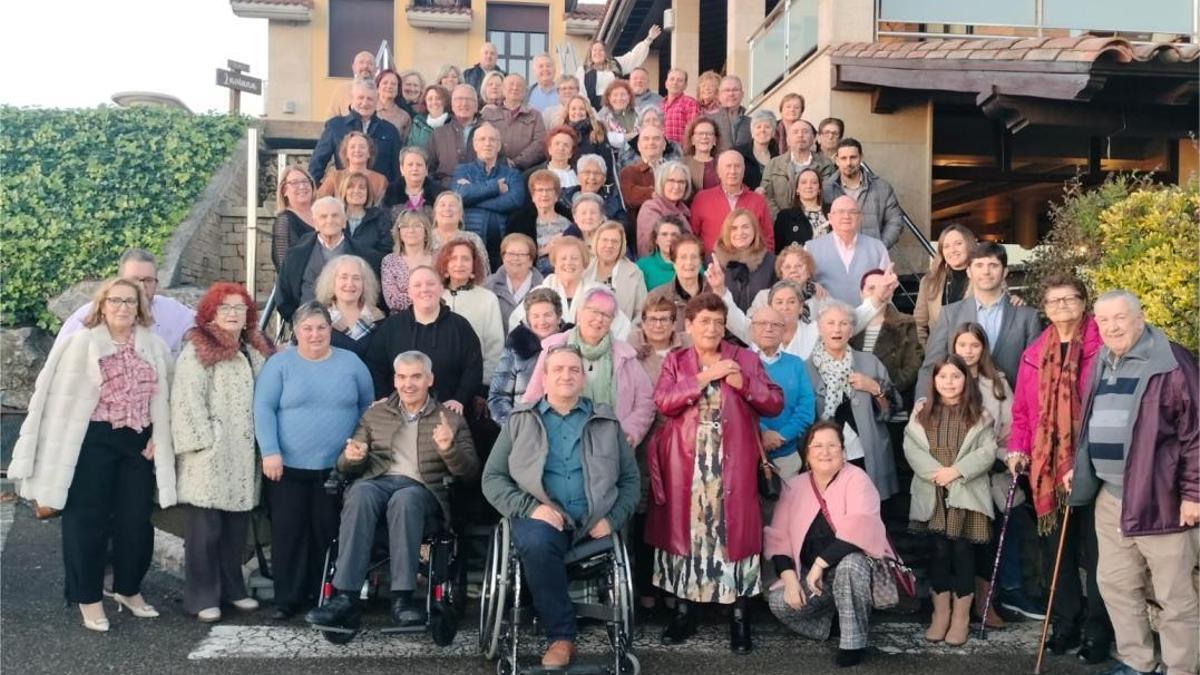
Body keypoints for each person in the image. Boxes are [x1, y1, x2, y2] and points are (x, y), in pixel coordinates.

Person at [11, 277, 176, 632]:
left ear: (140, 307)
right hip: (91, 442)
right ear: (101, 305)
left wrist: (160, 436)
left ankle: (128, 590)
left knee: (136, 522)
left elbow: (167, 398)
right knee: (87, 523)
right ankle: (88, 597)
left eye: (130, 301)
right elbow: (54, 399)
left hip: (137, 444)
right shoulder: (80, 344)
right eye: (115, 300)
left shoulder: (155, 346)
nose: (122, 307)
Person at [482, 343, 640, 669]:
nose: (566, 376)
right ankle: (561, 636)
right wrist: (530, 509)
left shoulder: (606, 422)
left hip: (593, 523)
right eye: (558, 369)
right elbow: (492, 478)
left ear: (583, 378)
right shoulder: (520, 420)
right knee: (538, 543)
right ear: (544, 377)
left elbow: (630, 481)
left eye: (573, 370)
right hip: (540, 521)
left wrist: (612, 519)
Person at [1067, 290, 1199, 675]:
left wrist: (1194, 493)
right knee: (1116, 585)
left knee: (1175, 595)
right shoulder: (1102, 360)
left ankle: (1180, 668)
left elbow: (1195, 432)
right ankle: (1138, 661)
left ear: (1140, 318)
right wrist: (1083, 465)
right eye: (1104, 320)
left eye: (1120, 317)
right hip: (1110, 497)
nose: (1112, 327)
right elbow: (1093, 424)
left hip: (1162, 499)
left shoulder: (1171, 362)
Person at [645, 292, 784, 652]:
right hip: (685, 464)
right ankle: (684, 613)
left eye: (718, 322)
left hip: (733, 463)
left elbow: (774, 402)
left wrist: (744, 384)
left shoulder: (745, 359)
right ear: (688, 325)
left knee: (731, 535)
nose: (711, 328)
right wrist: (704, 377)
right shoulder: (677, 360)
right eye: (704, 321)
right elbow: (663, 402)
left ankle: (739, 617)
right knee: (688, 535)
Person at [303, 351, 479, 631]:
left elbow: (469, 473)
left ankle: (402, 599)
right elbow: (345, 464)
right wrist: (353, 457)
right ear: (395, 380)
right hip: (377, 482)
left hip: (422, 489)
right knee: (359, 493)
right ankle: (345, 597)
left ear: (430, 379)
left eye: (416, 377)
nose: (408, 384)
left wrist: (449, 449)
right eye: (402, 377)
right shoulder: (375, 414)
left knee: (405, 499)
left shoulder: (450, 419)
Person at [1006, 272, 1111, 661]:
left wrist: (1082, 460)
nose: (1062, 306)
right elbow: (1022, 412)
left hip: (1093, 465)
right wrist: (1017, 448)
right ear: (1045, 308)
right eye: (1054, 301)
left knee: (1097, 553)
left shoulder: (1103, 347)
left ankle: (1098, 630)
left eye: (1069, 299)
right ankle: (1066, 623)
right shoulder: (1034, 353)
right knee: (1057, 551)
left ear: (1084, 302)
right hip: (1047, 468)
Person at [253, 302, 374, 620]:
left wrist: (360, 446)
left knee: (327, 532)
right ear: (296, 331)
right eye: (307, 328)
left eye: (321, 327)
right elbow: (263, 407)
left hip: (337, 468)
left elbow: (367, 407)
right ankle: (287, 599)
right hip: (287, 467)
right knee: (288, 533)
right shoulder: (280, 364)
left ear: (330, 329)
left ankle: (323, 595)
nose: (315, 334)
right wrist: (270, 451)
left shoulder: (351, 363)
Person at [170, 282, 274, 622]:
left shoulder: (256, 349)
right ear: (211, 313)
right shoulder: (199, 348)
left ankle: (232, 589)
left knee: (235, 529)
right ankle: (201, 596)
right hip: (209, 456)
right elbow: (186, 400)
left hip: (243, 454)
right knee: (205, 531)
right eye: (224, 307)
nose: (232, 313)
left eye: (239, 308)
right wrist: (205, 442)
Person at [763, 421, 897, 668]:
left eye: (832, 445)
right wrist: (791, 581)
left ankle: (852, 642)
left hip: (851, 568)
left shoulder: (857, 479)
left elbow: (860, 529)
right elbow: (779, 538)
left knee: (850, 565)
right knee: (779, 603)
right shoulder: (795, 486)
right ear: (807, 454)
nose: (825, 452)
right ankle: (835, 620)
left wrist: (819, 565)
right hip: (814, 580)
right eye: (817, 446)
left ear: (843, 452)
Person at [905, 355, 997, 647]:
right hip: (933, 489)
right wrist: (937, 474)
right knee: (939, 551)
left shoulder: (979, 414)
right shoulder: (922, 412)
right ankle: (940, 613)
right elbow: (911, 447)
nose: (949, 382)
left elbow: (986, 451)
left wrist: (956, 472)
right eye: (942, 376)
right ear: (933, 380)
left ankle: (961, 617)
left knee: (962, 551)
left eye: (955, 376)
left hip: (964, 491)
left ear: (965, 380)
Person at [523, 286, 656, 449]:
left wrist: (628, 432)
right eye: (594, 311)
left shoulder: (625, 356)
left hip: (610, 445)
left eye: (606, 315)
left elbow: (645, 401)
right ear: (580, 312)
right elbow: (532, 398)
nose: (599, 319)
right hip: (558, 445)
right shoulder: (554, 348)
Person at [951, 322, 1019, 630]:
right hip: (954, 475)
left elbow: (1011, 429)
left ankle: (986, 602)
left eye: (974, 345)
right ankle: (957, 605)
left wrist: (1004, 457)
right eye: (962, 345)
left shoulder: (997, 384)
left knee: (986, 541)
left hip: (990, 472)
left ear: (983, 349)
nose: (968, 351)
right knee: (957, 544)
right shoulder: (945, 379)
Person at [625, 295, 687, 613]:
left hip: (679, 442)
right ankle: (647, 587)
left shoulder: (687, 350)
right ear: (643, 322)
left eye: (665, 318)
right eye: (652, 318)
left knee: (675, 516)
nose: (659, 324)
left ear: (674, 322)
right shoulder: (632, 353)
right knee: (644, 514)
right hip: (644, 443)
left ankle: (673, 587)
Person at [917, 242, 1041, 397]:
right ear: (969, 271)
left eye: (993, 265)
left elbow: (1035, 372)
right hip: (960, 404)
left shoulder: (1027, 317)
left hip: (1010, 405)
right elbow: (931, 365)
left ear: (1005, 272)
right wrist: (922, 401)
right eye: (979, 265)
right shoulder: (950, 314)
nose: (986, 271)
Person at [806, 301, 902, 501]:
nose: (837, 329)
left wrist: (874, 387)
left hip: (867, 452)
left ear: (851, 331)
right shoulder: (805, 369)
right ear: (820, 329)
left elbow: (894, 409)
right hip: (825, 457)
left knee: (868, 507)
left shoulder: (869, 362)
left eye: (844, 323)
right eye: (830, 323)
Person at [365, 266, 484, 408]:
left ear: (441, 289)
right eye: (417, 285)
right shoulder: (391, 327)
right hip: (400, 412)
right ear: (409, 292)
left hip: (448, 411)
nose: (424, 289)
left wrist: (459, 399)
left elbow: (473, 368)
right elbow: (376, 366)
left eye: (430, 284)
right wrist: (385, 398)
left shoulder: (460, 326)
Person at [55, 248, 195, 356]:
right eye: (134, 280)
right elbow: (59, 360)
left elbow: (203, 326)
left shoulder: (171, 310)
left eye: (148, 280)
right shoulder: (89, 314)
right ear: (119, 281)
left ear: (156, 283)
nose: (141, 287)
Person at [277, 197, 378, 322]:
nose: (329, 221)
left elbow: (371, 294)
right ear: (315, 223)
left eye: (335, 216)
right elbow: (283, 296)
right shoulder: (294, 256)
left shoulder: (365, 255)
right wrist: (298, 322)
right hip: (307, 325)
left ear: (344, 221)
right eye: (323, 216)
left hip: (351, 327)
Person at [508, 237, 633, 339]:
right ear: (555, 264)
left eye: (574, 258)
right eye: (563, 258)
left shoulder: (599, 293)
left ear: (584, 263)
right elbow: (516, 322)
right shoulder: (540, 292)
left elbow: (622, 327)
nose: (568, 263)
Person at [750, 306, 815, 479]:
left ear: (784, 331)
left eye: (776, 324)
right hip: (747, 453)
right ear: (751, 328)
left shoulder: (796, 364)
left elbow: (806, 409)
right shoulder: (739, 361)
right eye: (762, 323)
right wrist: (762, 433)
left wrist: (782, 436)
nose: (769, 328)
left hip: (787, 456)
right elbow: (736, 406)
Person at [452, 122, 525, 265]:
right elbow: (459, 196)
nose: (487, 143)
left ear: (499, 145)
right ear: (474, 145)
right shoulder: (463, 170)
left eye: (492, 140)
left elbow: (514, 201)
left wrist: (474, 198)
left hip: (503, 244)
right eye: (482, 139)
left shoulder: (512, 174)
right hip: (469, 242)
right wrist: (495, 188)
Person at [488, 288, 563, 424]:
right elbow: (498, 396)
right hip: (524, 425)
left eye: (547, 315)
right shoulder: (517, 344)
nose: (542, 321)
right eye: (536, 316)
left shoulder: (570, 342)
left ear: (558, 317)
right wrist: (514, 426)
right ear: (528, 319)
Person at [438, 237, 504, 385]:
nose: (459, 264)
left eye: (465, 259)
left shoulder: (487, 298)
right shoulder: (434, 296)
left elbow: (494, 346)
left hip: (475, 381)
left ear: (474, 265)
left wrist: (483, 382)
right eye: (453, 258)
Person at [310, 80, 401, 185]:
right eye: (360, 98)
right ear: (352, 99)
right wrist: (315, 189)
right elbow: (317, 163)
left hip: (379, 192)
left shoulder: (389, 130)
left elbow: (396, 170)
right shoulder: (336, 126)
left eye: (370, 99)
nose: (365, 103)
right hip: (346, 190)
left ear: (377, 101)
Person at [805, 196, 891, 306]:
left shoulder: (877, 248)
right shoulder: (810, 249)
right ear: (830, 218)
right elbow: (801, 285)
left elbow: (887, 289)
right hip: (825, 316)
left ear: (860, 217)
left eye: (852, 212)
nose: (846, 216)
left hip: (869, 315)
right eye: (840, 212)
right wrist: (811, 286)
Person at [851, 268, 922, 400]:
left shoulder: (907, 323)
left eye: (883, 287)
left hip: (892, 400)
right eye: (871, 288)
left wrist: (887, 391)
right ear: (861, 293)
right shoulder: (848, 325)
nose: (878, 292)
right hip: (855, 398)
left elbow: (912, 367)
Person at [822, 139, 903, 249]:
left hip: (871, 254)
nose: (848, 163)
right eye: (843, 158)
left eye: (853, 157)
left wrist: (880, 247)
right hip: (835, 254)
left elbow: (895, 221)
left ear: (861, 157)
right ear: (837, 160)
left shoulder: (882, 187)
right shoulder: (826, 189)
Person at [691, 150, 773, 255]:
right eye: (728, 166)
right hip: (712, 261)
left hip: (750, 263)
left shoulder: (758, 201)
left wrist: (763, 263)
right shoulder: (702, 199)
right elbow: (693, 236)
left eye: (737, 166)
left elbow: (768, 239)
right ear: (718, 172)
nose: (733, 171)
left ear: (743, 171)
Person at [914, 224, 977, 344]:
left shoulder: (985, 278)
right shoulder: (929, 282)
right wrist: (929, 352)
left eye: (958, 243)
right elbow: (919, 325)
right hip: (939, 353)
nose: (952, 250)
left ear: (969, 245)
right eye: (946, 246)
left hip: (974, 352)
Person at [575, 25, 661, 109]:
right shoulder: (583, 71)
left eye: (601, 50)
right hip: (593, 110)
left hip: (617, 108)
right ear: (590, 53)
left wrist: (648, 39)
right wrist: (590, 111)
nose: (598, 53)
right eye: (595, 50)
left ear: (606, 53)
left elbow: (633, 57)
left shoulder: (616, 64)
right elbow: (581, 92)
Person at [762, 120, 835, 220]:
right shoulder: (774, 164)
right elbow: (765, 195)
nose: (800, 135)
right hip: (780, 222)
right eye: (795, 132)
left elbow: (828, 196)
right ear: (788, 140)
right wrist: (781, 219)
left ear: (814, 139)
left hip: (816, 222)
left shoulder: (826, 165)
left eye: (805, 132)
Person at [315, 254, 384, 360]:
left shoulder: (379, 319)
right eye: (343, 277)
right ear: (331, 282)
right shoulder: (318, 319)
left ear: (365, 284)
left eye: (356, 278)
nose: (350, 283)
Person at [710, 209, 776, 312]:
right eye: (734, 228)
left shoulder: (771, 262)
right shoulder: (713, 262)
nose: (740, 232)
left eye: (745, 227)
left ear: (755, 230)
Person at [643, 233, 709, 333]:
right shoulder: (657, 296)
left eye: (694, 257)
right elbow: (642, 331)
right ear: (674, 263)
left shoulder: (715, 292)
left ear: (700, 262)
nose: (689, 262)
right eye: (683, 257)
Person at [509, 169, 572, 274]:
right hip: (532, 275)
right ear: (533, 196)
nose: (544, 194)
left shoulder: (568, 222)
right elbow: (514, 256)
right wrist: (544, 250)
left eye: (549, 190)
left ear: (556, 195)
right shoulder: (519, 223)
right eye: (540, 190)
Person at [482, 74, 547, 171]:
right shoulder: (488, 113)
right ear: (503, 89)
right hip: (492, 169)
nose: (515, 88)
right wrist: (500, 161)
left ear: (525, 92)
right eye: (511, 84)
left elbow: (539, 143)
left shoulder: (535, 115)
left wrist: (516, 162)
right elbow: (481, 139)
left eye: (519, 85)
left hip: (525, 171)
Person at [584, 220, 648, 319]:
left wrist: (628, 328)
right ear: (596, 242)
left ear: (621, 245)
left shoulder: (634, 272)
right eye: (605, 240)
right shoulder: (583, 268)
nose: (609, 245)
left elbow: (642, 312)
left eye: (615, 241)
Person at [482, 233, 544, 333]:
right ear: (503, 258)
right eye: (511, 253)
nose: (515, 258)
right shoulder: (488, 285)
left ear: (531, 260)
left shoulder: (544, 287)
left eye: (521, 254)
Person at [381, 209, 435, 313]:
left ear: (426, 232)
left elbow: (445, 292)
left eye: (417, 226)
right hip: (402, 318)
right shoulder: (389, 261)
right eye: (405, 226)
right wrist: (427, 297)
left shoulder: (438, 258)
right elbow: (393, 300)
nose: (411, 230)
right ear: (399, 232)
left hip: (436, 316)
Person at [634, 162, 692, 257]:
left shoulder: (684, 211)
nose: (676, 187)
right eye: (671, 181)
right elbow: (656, 244)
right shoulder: (651, 208)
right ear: (661, 183)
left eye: (681, 182)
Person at [429, 84, 482, 185]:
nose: (464, 103)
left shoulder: (487, 131)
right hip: (446, 190)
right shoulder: (438, 134)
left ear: (476, 106)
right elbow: (430, 169)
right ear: (452, 106)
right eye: (459, 99)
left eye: (469, 99)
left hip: (480, 188)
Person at [315, 134, 390, 205]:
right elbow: (318, 201)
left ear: (369, 153)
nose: (357, 150)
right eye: (352, 147)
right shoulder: (335, 177)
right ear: (346, 153)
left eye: (362, 147)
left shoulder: (381, 180)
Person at [334, 170, 392, 260]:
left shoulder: (380, 218)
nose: (356, 191)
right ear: (344, 191)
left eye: (362, 187)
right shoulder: (334, 217)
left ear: (367, 192)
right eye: (350, 187)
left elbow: (385, 252)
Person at [619, 123, 668, 227]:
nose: (651, 142)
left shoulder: (676, 170)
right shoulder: (628, 172)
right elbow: (630, 197)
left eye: (656, 138)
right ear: (639, 146)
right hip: (642, 229)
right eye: (646, 139)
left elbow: (686, 195)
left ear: (664, 145)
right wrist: (663, 193)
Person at [429, 190, 490, 269]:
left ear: (460, 214)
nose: (447, 209)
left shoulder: (473, 240)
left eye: (452, 205)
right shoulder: (425, 239)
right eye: (442, 205)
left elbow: (484, 271)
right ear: (435, 214)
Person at [773, 167, 830, 252]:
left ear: (819, 189)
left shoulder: (832, 211)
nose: (809, 186)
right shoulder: (785, 217)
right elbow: (778, 251)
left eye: (814, 182)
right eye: (803, 182)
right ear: (797, 189)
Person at [271, 166, 316, 271]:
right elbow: (283, 265)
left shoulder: (323, 215)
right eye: (294, 183)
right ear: (284, 191)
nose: (302, 186)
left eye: (305, 181)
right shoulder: (284, 221)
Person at [562, 153, 625, 223]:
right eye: (587, 172)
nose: (592, 177)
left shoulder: (613, 203)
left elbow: (624, 224)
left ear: (604, 179)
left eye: (597, 173)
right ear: (578, 176)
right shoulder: (563, 198)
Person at [385, 146, 443, 211]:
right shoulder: (389, 192)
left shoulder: (439, 194)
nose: (415, 168)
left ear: (426, 169)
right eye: (410, 164)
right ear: (402, 169)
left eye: (419, 165)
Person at [637, 217, 686, 292]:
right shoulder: (642, 266)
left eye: (674, 235)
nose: (669, 239)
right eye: (664, 234)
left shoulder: (693, 263)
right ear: (656, 239)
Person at [735, 110, 778, 190]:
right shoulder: (737, 153)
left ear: (773, 133)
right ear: (752, 131)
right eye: (758, 127)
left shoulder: (778, 157)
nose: (762, 130)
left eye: (767, 127)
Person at [596, 79, 640, 160]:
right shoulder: (602, 118)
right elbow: (608, 139)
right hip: (616, 160)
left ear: (629, 97)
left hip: (641, 158)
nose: (619, 98)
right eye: (615, 95)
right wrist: (633, 136)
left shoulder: (639, 112)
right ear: (609, 98)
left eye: (623, 94)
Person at [326, 51, 377, 118]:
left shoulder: (380, 90)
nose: (365, 66)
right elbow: (331, 118)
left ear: (376, 69)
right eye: (361, 62)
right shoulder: (342, 89)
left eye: (370, 63)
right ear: (354, 67)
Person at [682, 116, 721, 195]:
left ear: (715, 140)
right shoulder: (682, 164)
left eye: (709, 134)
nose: (704, 137)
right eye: (700, 134)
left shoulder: (722, 163)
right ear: (692, 140)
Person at [661, 68, 701, 144]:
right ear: (666, 83)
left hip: (681, 150)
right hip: (661, 149)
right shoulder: (660, 105)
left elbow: (694, 131)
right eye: (672, 79)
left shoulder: (690, 103)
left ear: (685, 86)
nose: (675, 83)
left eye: (679, 80)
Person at [406, 84, 451, 151]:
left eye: (438, 98)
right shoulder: (418, 123)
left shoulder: (453, 122)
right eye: (430, 99)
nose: (434, 102)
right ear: (425, 102)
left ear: (445, 101)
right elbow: (410, 148)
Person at [711, 76, 751, 151]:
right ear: (719, 95)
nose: (731, 94)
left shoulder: (751, 122)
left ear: (742, 94)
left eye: (735, 90)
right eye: (727, 90)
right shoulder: (709, 120)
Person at [373, 68, 413, 141]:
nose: (389, 86)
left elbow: (405, 143)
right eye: (385, 83)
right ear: (377, 87)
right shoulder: (369, 110)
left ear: (398, 89)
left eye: (393, 84)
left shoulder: (404, 116)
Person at [539, 124, 580, 189]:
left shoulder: (580, 174)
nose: (561, 148)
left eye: (566, 145)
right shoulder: (533, 174)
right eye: (557, 144)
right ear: (549, 149)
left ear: (571, 153)